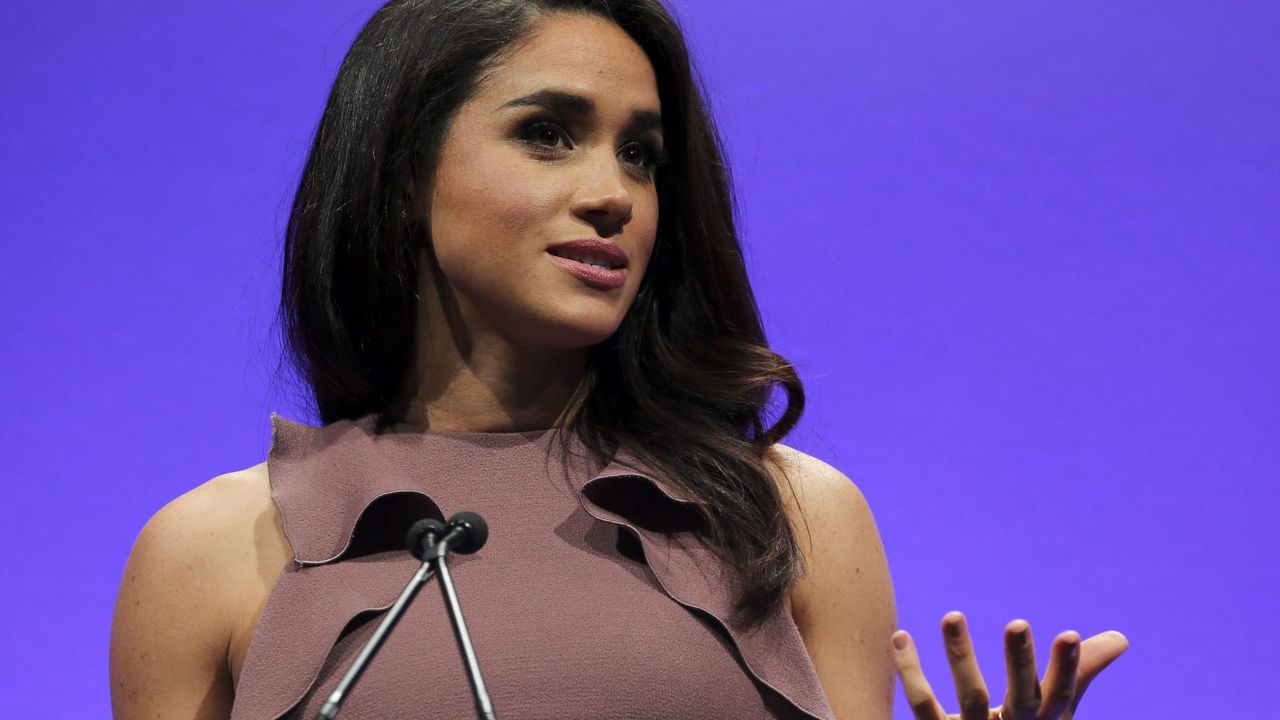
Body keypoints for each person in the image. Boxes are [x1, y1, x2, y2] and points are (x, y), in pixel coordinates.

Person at [109, 1, 1128, 718]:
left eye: (639, 152)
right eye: (548, 133)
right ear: (400, 174)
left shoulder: (791, 518)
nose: (613, 191)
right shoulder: (209, 554)